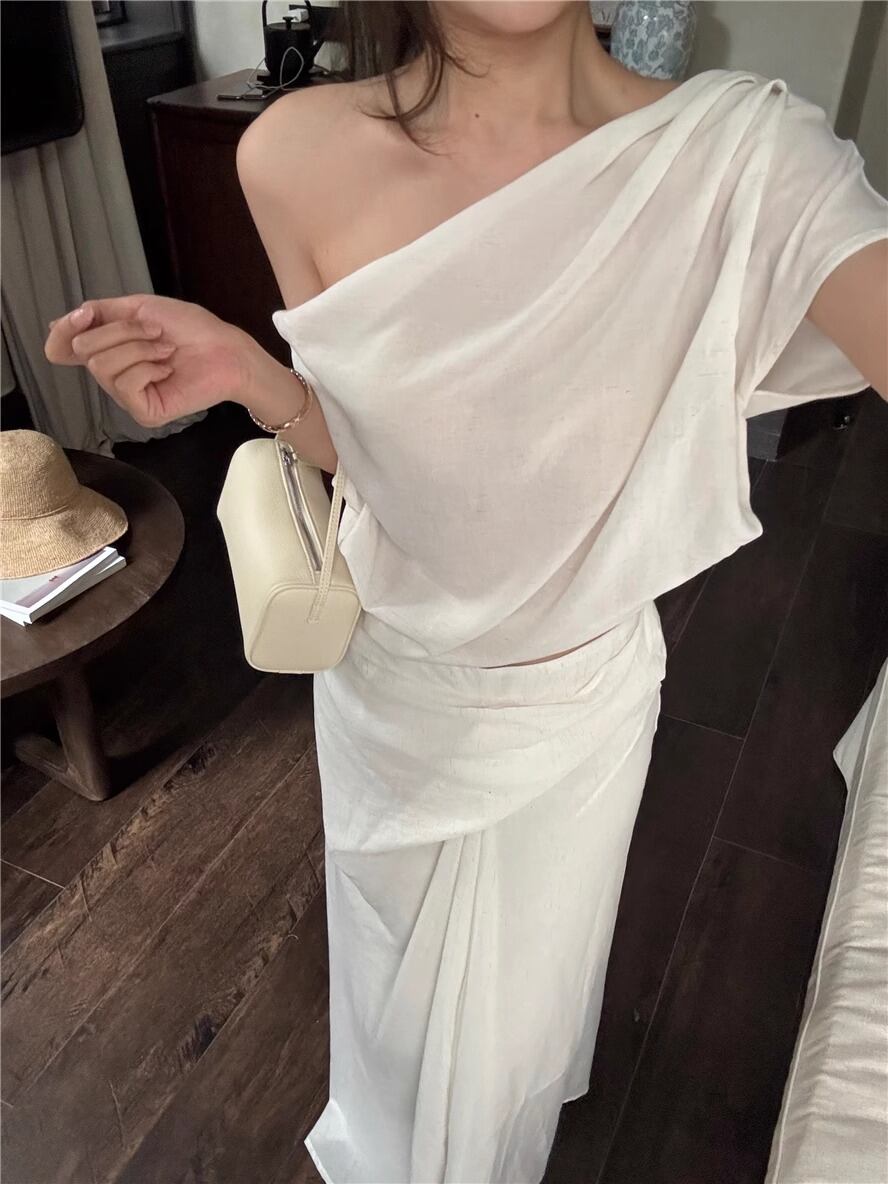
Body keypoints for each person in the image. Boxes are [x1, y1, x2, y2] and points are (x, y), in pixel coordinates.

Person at [44, 3, 887, 1181]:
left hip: (574, 710)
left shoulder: (742, 159)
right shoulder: (292, 154)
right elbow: (368, 450)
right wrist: (253, 375)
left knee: (523, 1009)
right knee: (393, 993)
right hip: (392, 691)